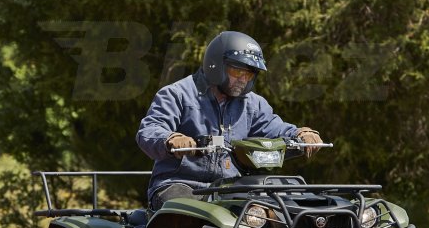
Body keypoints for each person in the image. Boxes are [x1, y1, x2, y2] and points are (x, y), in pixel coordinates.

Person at [136, 30, 321, 209]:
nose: (243, 79)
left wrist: (300, 133)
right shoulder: (177, 94)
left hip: (231, 187)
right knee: (185, 213)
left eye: (248, 75)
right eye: (237, 72)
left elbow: (274, 127)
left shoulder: (253, 104)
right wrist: (171, 139)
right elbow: (150, 129)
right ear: (215, 64)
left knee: (271, 216)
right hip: (179, 184)